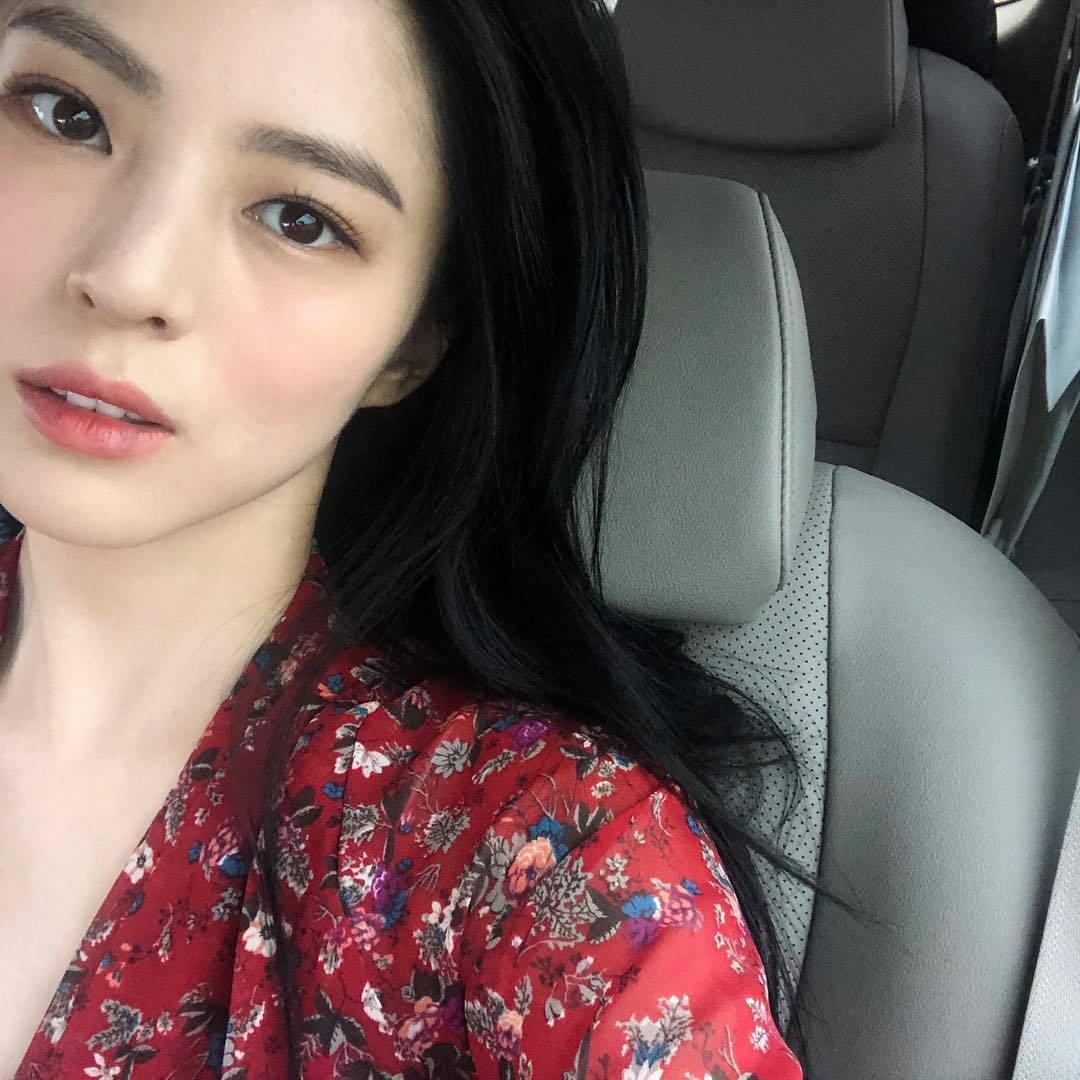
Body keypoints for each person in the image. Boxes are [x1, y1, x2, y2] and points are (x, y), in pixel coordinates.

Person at [0, 1, 826, 1076]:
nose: (127, 276)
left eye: (301, 219)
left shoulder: (547, 859)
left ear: (415, 343)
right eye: (64, 113)